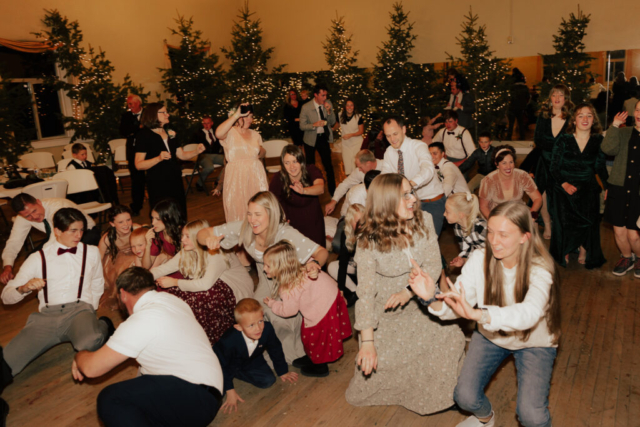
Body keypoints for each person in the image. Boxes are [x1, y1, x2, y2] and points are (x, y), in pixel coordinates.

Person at [409, 200, 561, 427]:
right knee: (464, 397)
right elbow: (457, 305)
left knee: (531, 416)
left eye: (503, 234)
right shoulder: (479, 258)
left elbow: (529, 313)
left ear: (524, 237)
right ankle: (485, 419)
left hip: (534, 342)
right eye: (490, 232)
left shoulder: (541, 267)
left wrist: (481, 315)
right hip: (492, 336)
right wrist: (431, 296)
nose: (494, 241)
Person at [345, 174, 465, 415]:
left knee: (451, 338)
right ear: (386, 202)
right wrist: (367, 343)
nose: (413, 199)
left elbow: (433, 264)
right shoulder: (368, 239)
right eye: (405, 195)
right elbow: (365, 294)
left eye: (412, 192)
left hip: (423, 299)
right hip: (386, 310)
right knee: (378, 366)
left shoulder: (424, 220)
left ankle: (443, 394)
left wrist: (408, 292)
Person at [73, 267, 223, 427]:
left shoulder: (142, 320)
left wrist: (79, 356)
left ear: (123, 294)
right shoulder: (173, 302)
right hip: (209, 395)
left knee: (111, 399)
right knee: (136, 397)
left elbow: (91, 369)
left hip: (193, 396)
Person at [197, 191, 329, 364]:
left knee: (281, 316)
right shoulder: (245, 228)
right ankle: (261, 351)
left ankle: (296, 354)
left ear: (271, 214)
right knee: (254, 313)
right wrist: (208, 240)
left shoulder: (285, 233)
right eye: (249, 214)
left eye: (258, 214)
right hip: (265, 279)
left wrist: (315, 264)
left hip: (288, 282)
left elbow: (321, 252)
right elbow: (201, 233)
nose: (252, 219)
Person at [1, 208, 114, 377]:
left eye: (81, 230)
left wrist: (92, 308)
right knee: (7, 363)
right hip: (47, 316)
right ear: (57, 231)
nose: (79, 235)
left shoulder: (91, 252)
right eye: (73, 231)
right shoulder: (37, 258)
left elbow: (97, 282)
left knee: (90, 342)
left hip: (79, 311)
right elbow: (6, 297)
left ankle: (104, 324)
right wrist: (24, 288)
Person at [151, 219, 253, 345]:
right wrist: (140, 278)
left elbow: (205, 285)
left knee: (200, 297)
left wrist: (175, 282)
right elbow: (163, 269)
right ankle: (185, 333)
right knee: (174, 294)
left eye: (187, 236)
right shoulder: (186, 252)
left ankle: (211, 337)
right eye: (182, 235)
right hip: (211, 285)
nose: (182, 239)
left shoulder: (215, 252)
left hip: (234, 289)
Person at [263, 241, 352, 377]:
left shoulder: (288, 288)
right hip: (333, 296)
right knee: (317, 337)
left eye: (268, 266)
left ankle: (320, 366)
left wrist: (272, 304)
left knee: (313, 337)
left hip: (322, 310)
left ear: (282, 267)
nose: (264, 269)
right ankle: (312, 356)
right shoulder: (305, 264)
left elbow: (288, 311)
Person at [214, 298, 298, 414]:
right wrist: (230, 389)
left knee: (268, 381)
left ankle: (237, 373)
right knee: (216, 396)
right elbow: (222, 364)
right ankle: (227, 379)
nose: (258, 328)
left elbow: (275, 349)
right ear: (239, 327)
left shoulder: (267, 329)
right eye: (251, 325)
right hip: (226, 364)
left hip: (252, 361)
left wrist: (282, 371)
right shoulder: (228, 341)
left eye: (260, 321)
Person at [549, 103, 608, 269]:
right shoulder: (564, 139)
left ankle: (583, 248)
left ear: (593, 120)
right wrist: (564, 184)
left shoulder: (598, 140)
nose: (585, 119)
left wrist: (607, 186)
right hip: (564, 186)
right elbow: (553, 167)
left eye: (589, 115)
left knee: (588, 221)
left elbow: (600, 166)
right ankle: (566, 248)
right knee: (565, 221)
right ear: (574, 120)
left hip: (588, 187)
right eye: (580, 115)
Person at [0, 194, 98, 285]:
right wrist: (8, 267)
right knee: (31, 258)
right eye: (28, 216)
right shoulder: (22, 218)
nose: (34, 217)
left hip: (86, 233)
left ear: (38, 202)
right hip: (58, 237)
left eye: (34, 211)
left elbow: (56, 241)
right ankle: (46, 289)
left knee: (55, 259)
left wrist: (40, 259)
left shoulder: (57, 207)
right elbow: (14, 241)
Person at [381, 116, 447, 236]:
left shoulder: (418, 146)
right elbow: (385, 177)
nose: (392, 139)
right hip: (409, 204)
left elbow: (428, 170)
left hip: (431, 202)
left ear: (404, 129)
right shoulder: (389, 152)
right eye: (388, 136)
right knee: (410, 241)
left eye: (395, 134)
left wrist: (408, 186)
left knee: (429, 241)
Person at [134, 102, 204, 213]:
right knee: (162, 212)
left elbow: (181, 155)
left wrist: (196, 151)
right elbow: (139, 165)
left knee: (178, 210)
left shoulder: (169, 132)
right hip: (158, 181)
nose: (168, 115)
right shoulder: (144, 135)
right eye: (164, 112)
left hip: (175, 178)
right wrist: (158, 158)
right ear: (154, 114)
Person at [602, 106, 640, 277]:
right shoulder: (624, 132)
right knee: (618, 231)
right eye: (637, 110)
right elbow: (608, 149)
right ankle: (626, 257)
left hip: (637, 193)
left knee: (634, 235)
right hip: (619, 188)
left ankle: (639, 257)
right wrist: (615, 125)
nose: (639, 114)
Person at [215, 102, 268, 222]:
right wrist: (236, 114)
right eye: (246, 116)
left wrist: (260, 152)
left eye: (251, 116)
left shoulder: (255, 135)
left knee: (258, 208)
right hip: (236, 177)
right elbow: (218, 133)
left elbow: (261, 153)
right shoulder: (230, 132)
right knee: (237, 209)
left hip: (255, 176)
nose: (250, 119)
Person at [534, 84, 573, 239]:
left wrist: (557, 150)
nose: (557, 98)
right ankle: (547, 225)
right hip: (544, 162)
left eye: (561, 95)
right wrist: (558, 147)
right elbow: (538, 139)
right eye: (554, 94)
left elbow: (573, 142)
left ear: (566, 98)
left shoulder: (571, 118)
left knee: (561, 196)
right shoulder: (543, 116)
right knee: (542, 194)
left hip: (564, 164)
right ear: (550, 98)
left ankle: (561, 226)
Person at [269, 144, 325, 247]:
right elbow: (272, 201)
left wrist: (303, 191)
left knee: (316, 252)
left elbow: (320, 188)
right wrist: (281, 217)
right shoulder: (278, 178)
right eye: (287, 163)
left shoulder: (311, 170)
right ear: (283, 164)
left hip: (313, 221)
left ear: (301, 161)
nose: (292, 166)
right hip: (292, 224)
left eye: (295, 161)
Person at [479, 145, 542, 220]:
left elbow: (538, 198)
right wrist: (493, 221)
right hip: (496, 216)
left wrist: (531, 216)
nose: (508, 166)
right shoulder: (488, 180)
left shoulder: (522, 175)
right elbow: (483, 206)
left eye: (511, 162)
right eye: (504, 163)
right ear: (496, 164)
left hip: (518, 214)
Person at [98, 205, 141, 310]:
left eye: (128, 220)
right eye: (121, 222)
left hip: (136, 253)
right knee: (122, 269)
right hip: (116, 259)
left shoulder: (137, 229)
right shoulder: (107, 238)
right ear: (112, 224)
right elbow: (98, 259)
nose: (126, 224)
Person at [299, 83, 337, 196]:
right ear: (316, 95)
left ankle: (333, 192)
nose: (325, 98)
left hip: (323, 138)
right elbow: (302, 126)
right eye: (322, 95)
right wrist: (314, 125)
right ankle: (310, 191)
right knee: (310, 166)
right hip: (310, 140)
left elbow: (332, 122)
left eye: (326, 95)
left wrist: (329, 111)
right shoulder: (306, 107)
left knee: (328, 166)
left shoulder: (328, 103)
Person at [324, 149, 387, 216]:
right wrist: (334, 201)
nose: (359, 169)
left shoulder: (387, 167)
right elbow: (345, 184)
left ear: (368, 163)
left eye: (360, 167)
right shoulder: (359, 172)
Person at [327, 203, 364, 307]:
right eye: (357, 221)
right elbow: (343, 264)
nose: (361, 225)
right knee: (332, 267)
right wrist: (341, 290)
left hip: (369, 267)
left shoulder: (370, 230)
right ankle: (355, 291)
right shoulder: (346, 234)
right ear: (350, 221)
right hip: (356, 265)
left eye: (363, 220)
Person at [142, 199, 186, 273]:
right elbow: (145, 267)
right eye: (152, 218)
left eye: (158, 219)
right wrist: (147, 246)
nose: (153, 223)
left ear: (169, 218)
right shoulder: (157, 234)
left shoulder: (183, 233)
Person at [444, 192, 487, 268]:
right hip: (484, 259)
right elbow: (467, 250)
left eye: (447, 212)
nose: (444, 214)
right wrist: (463, 260)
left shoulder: (482, 228)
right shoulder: (457, 228)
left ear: (460, 215)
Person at [119, 94, 145, 216]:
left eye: (131, 104)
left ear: (138, 103)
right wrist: (139, 127)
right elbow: (123, 131)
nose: (129, 106)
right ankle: (136, 207)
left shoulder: (148, 113)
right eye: (128, 104)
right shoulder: (126, 116)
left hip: (149, 150)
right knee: (136, 180)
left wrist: (134, 130)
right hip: (133, 151)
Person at [190, 116, 224, 192]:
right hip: (203, 155)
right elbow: (192, 145)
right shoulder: (197, 133)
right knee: (209, 168)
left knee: (229, 162)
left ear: (212, 123)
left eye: (208, 123)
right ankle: (199, 183)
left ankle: (218, 181)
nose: (206, 125)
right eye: (204, 123)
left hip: (216, 154)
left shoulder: (217, 131)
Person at [338, 98, 365, 175]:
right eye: (348, 105)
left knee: (355, 164)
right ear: (345, 107)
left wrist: (351, 135)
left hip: (357, 143)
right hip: (346, 144)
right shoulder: (340, 115)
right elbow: (336, 125)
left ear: (354, 107)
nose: (349, 107)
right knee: (347, 165)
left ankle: (357, 180)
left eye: (351, 105)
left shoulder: (358, 117)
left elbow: (361, 131)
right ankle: (350, 181)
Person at [506, 68, 531, 141]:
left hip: (512, 107)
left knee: (511, 123)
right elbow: (528, 97)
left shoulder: (512, 88)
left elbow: (508, 97)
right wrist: (525, 105)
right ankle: (522, 136)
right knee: (521, 123)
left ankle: (509, 136)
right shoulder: (525, 88)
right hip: (521, 107)